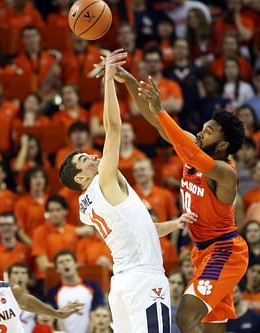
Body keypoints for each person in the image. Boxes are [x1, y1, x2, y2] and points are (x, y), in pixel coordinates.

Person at [59, 50, 183, 332]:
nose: (92, 157)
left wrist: (175, 224)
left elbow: (137, 229)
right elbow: (113, 127)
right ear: (80, 177)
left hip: (122, 283)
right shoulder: (103, 180)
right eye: (84, 160)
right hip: (144, 280)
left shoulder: (84, 206)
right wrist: (110, 79)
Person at [135, 65, 249, 331]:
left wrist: (161, 109)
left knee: (185, 317)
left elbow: (194, 156)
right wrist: (129, 83)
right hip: (202, 253)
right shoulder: (192, 148)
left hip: (224, 251)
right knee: (212, 328)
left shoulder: (224, 174)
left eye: (209, 132)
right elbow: (154, 119)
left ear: (222, 146)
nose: (200, 133)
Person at [46, 250, 104, 333]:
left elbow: (97, 313)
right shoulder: (53, 293)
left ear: (76, 264)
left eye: (68, 260)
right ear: (57, 269)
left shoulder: (93, 287)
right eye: (61, 262)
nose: (65, 264)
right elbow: (55, 319)